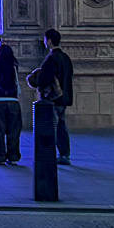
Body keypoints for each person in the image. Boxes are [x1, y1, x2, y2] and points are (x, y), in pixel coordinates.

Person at [25, 29, 73, 165]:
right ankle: (65, 153)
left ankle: (50, 152)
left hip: (53, 98)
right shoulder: (65, 58)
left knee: (51, 127)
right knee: (62, 126)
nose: (44, 42)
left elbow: (44, 78)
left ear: (50, 41)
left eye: (45, 39)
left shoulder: (51, 59)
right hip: (64, 98)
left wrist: (36, 81)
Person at [0, 40, 23, 165]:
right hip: (13, 102)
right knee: (13, 131)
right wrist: (8, 51)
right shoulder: (14, 68)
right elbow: (15, 61)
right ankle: (13, 156)